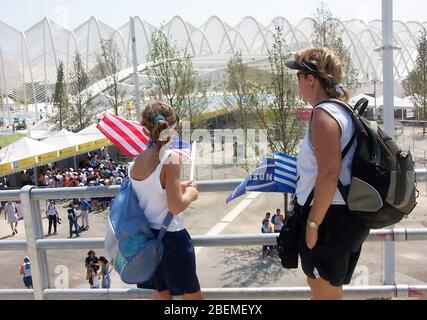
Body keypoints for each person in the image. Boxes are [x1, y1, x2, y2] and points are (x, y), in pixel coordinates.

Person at [285, 47, 370, 300]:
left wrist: (312, 224)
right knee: (325, 293)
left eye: (299, 76)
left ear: (311, 79)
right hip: (338, 218)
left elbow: (329, 174)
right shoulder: (341, 110)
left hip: (327, 221)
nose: (298, 83)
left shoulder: (324, 115)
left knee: (326, 296)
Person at [132, 101, 202, 300]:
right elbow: (175, 205)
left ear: (145, 130)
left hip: (148, 238)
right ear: (173, 126)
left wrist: (175, 187)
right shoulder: (170, 158)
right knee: (192, 296)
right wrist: (191, 194)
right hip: (172, 238)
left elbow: (151, 191)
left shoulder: (137, 160)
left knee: (162, 293)